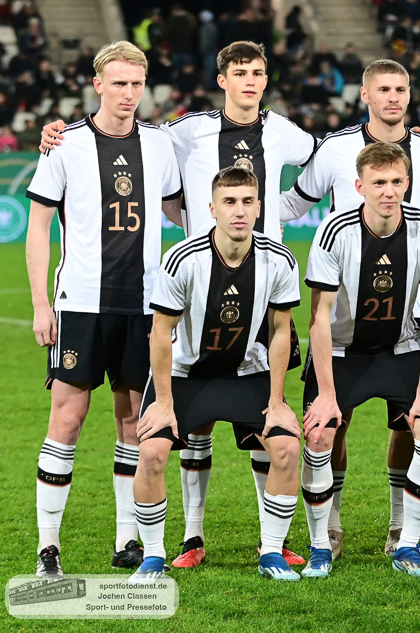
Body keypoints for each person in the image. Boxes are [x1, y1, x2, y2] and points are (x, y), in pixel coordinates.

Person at [38, 40, 317, 569]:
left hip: (261, 286)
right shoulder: (182, 132)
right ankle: (189, 536)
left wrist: (283, 208)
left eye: (258, 73)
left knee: (266, 418)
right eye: (240, 72)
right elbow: (129, 143)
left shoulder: (282, 131)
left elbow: (327, 158)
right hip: (187, 288)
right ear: (222, 79)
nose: (250, 81)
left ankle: (273, 542)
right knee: (191, 420)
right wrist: (59, 130)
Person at [25, 41, 182, 577]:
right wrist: (41, 304)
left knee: (133, 421)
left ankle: (127, 540)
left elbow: (176, 207)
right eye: (118, 83)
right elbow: (39, 228)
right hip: (81, 305)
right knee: (67, 419)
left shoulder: (159, 144)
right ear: (98, 85)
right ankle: (48, 549)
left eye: (136, 83)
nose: (128, 93)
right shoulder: (64, 143)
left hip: (144, 307)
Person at [281, 59, 420, 560]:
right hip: (342, 332)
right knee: (328, 427)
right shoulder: (333, 153)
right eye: (384, 89)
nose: (393, 97)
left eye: (401, 89)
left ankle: (401, 532)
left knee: (417, 426)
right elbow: (291, 204)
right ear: (365, 94)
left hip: (403, 328)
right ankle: (327, 529)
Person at [130, 167, 302, 583]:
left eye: (247, 201)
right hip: (187, 375)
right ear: (212, 209)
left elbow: (281, 331)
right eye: (229, 202)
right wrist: (164, 402)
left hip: (247, 372)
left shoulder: (279, 260)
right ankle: (152, 557)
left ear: (259, 208)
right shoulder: (183, 259)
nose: (239, 211)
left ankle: (272, 551)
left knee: (286, 449)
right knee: (151, 453)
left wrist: (277, 401)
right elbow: (160, 333)